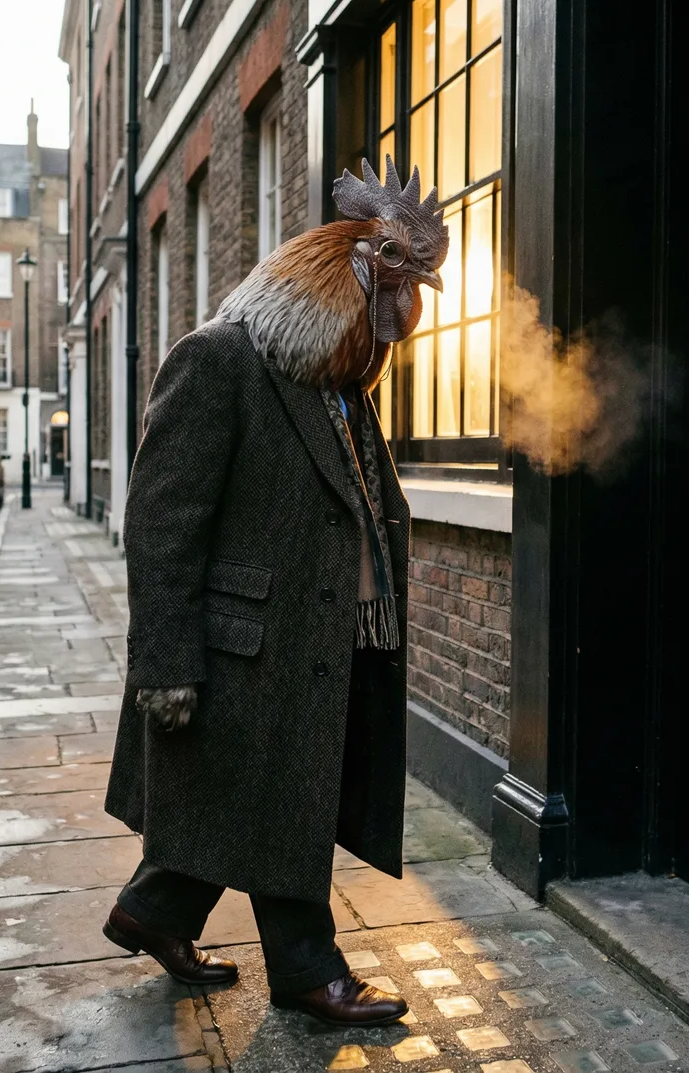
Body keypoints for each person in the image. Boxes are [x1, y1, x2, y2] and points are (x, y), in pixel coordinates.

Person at [102, 158, 449, 1026]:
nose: (412, 305)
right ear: (361, 275)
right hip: (242, 648)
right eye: (403, 279)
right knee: (283, 803)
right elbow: (160, 524)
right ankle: (306, 969)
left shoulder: (334, 386)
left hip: (316, 636)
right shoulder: (219, 361)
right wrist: (167, 665)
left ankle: (154, 911)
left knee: (258, 803)